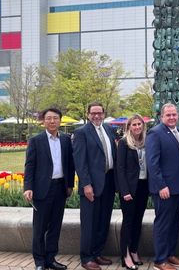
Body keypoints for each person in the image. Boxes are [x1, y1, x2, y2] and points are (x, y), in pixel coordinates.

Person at [23, 108, 75, 270]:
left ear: (60, 121)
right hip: (42, 189)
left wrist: (70, 185)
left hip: (60, 188)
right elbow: (30, 165)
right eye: (49, 118)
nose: (52, 121)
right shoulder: (36, 141)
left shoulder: (66, 140)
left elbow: (70, 164)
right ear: (43, 121)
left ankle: (51, 259)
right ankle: (39, 262)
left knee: (55, 226)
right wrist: (28, 187)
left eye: (55, 118)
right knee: (39, 228)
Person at [73, 102, 117, 270]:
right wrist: (86, 184)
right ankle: (87, 258)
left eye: (99, 113)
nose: (97, 116)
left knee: (103, 221)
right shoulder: (81, 132)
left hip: (109, 183)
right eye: (93, 113)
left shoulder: (108, 129)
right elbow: (80, 161)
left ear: (104, 113)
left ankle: (97, 253)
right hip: (91, 185)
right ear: (88, 114)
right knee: (89, 223)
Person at [146, 103, 179, 270]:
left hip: (177, 188)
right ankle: (160, 260)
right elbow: (152, 163)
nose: (172, 117)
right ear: (161, 117)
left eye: (174, 115)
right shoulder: (155, 133)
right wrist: (161, 185)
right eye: (168, 115)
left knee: (174, 224)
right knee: (163, 225)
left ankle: (170, 254)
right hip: (164, 190)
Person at [116, 114, 149, 270]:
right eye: (134, 125)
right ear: (129, 127)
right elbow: (120, 169)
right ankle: (125, 255)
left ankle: (134, 250)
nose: (137, 127)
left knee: (138, 221)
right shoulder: (124, 143)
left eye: (139, 124)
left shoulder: (145, 142)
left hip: (143, 186)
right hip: (129, 188)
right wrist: (124, 190)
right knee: (128, 222)